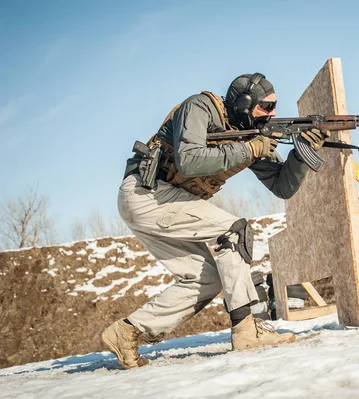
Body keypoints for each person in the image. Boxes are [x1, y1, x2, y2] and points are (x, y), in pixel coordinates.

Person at [101, 73, 330, 369]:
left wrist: (304, 151)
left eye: (274, 107)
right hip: (146, 194)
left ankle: (126, 332)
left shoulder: (249, 133)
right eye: (266, 107)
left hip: (163, 203)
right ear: (244, 105)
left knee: (206, 279)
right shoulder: (200, 107)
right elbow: (189, 160)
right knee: (234, 230)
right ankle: (246, 328)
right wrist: (250, 148)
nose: (273, 113)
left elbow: (282, 186)